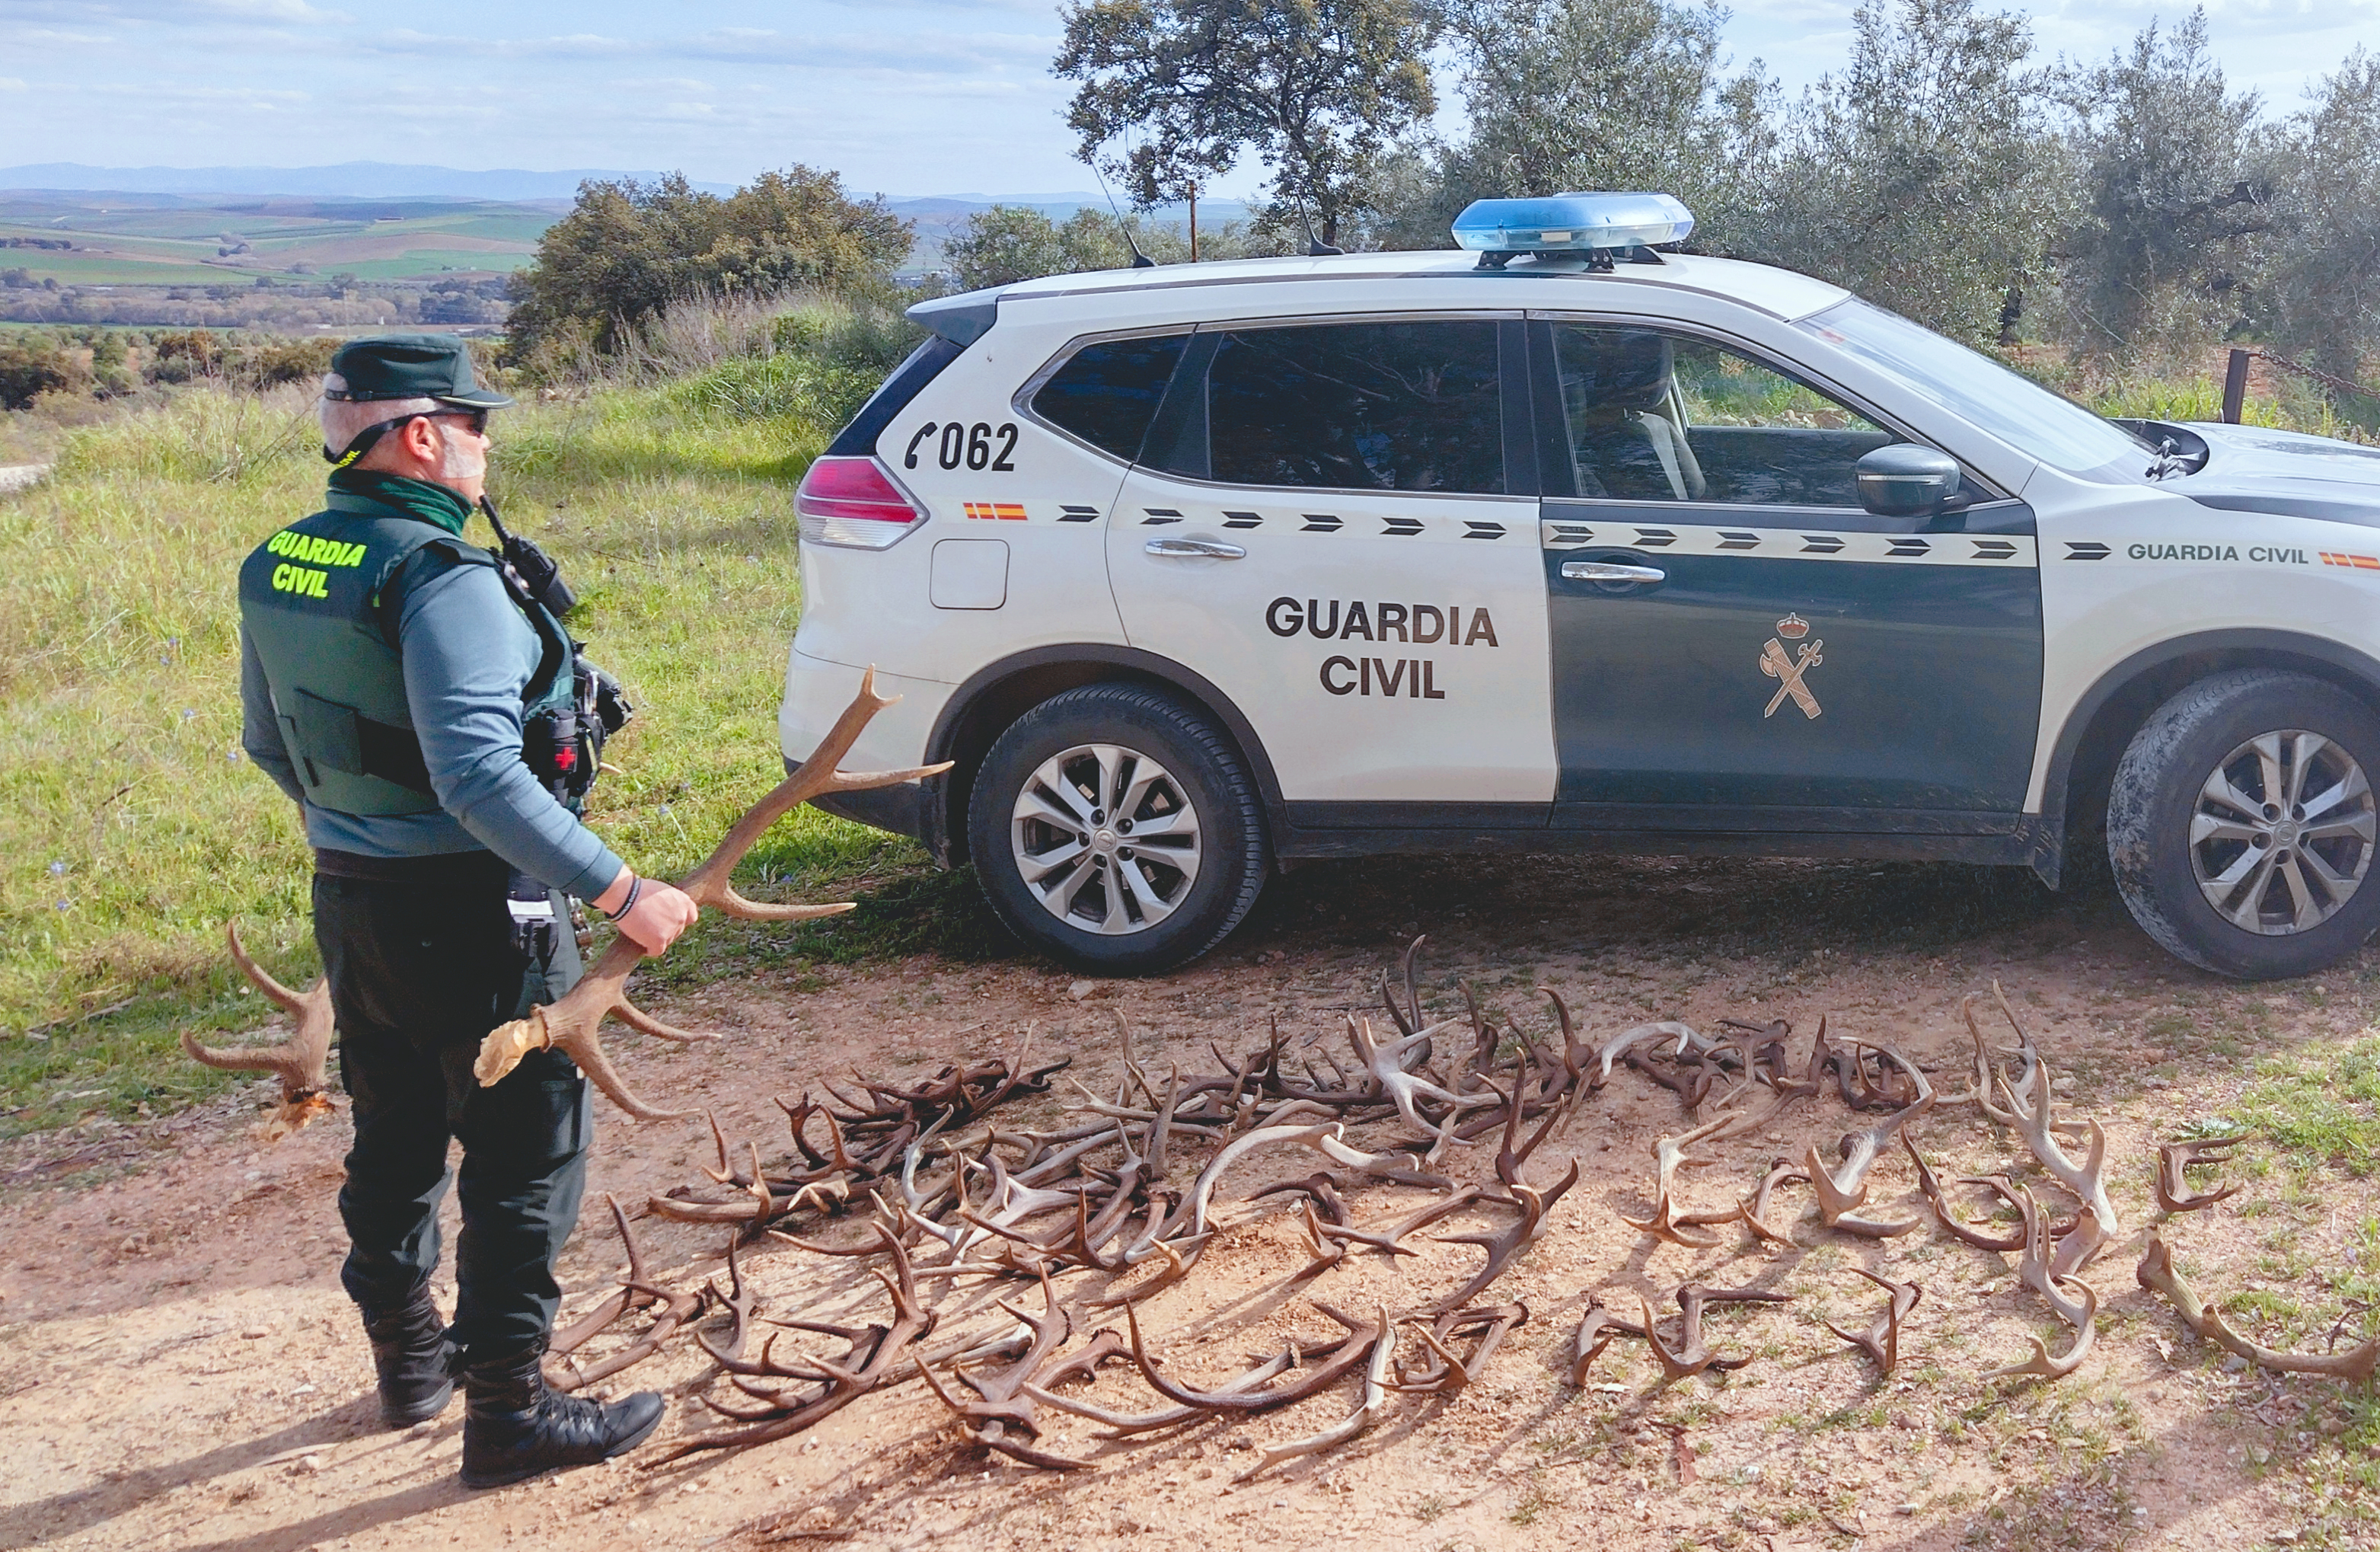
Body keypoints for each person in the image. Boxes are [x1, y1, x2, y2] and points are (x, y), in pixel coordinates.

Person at [236, 334, 700, 1488]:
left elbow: (268, 741)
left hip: (352, 899)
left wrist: (358, 842)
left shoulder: (279, 561)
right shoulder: (441, 576)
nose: (488, 447)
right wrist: (623, 891)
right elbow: (481, 775)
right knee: (525, 1150)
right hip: (482, 905)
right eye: (476, 425)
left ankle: (411, 1366)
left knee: (392, 1132)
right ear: (422, 434)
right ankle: (510, 1411)